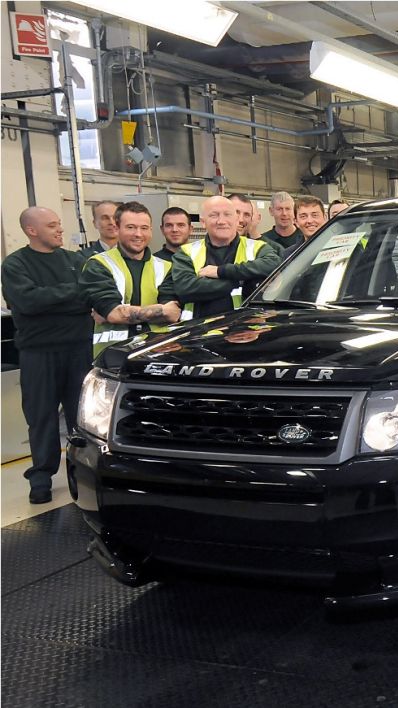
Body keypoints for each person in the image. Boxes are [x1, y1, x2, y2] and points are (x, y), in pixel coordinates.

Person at [1, 207, 92, 503]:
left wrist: (53, 297)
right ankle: (41, 476)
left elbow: (89, 293)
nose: (59, 230)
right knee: (41, 417)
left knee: (83, 417)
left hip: (78, 349)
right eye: (52, 226)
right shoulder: (15, 265)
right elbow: (27, 302)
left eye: (59, 225)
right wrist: (72, 295)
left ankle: (83, 472)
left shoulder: (74, 260)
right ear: (32, 230)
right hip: (38, 353)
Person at [80, 202, 181, 355]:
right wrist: (160, 310)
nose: (138, 234)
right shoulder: (98, 264)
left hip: (158, 351)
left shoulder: (166, 267)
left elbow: (172, 314)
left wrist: (119, 312)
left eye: (144, 228)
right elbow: (113, 314)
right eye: (131, 227)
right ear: (117, 228)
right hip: (113, 355)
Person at [158, 195, 281, 320]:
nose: (221, 221)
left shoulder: (257, 248)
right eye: (214, 215)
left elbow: (275, 264)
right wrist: (241, 280)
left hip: (244, 332)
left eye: (227, 214)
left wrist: (220, 271)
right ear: (203, 221)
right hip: (199, 334)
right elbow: (186, 288)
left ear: (236, 219)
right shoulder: (186, 252)